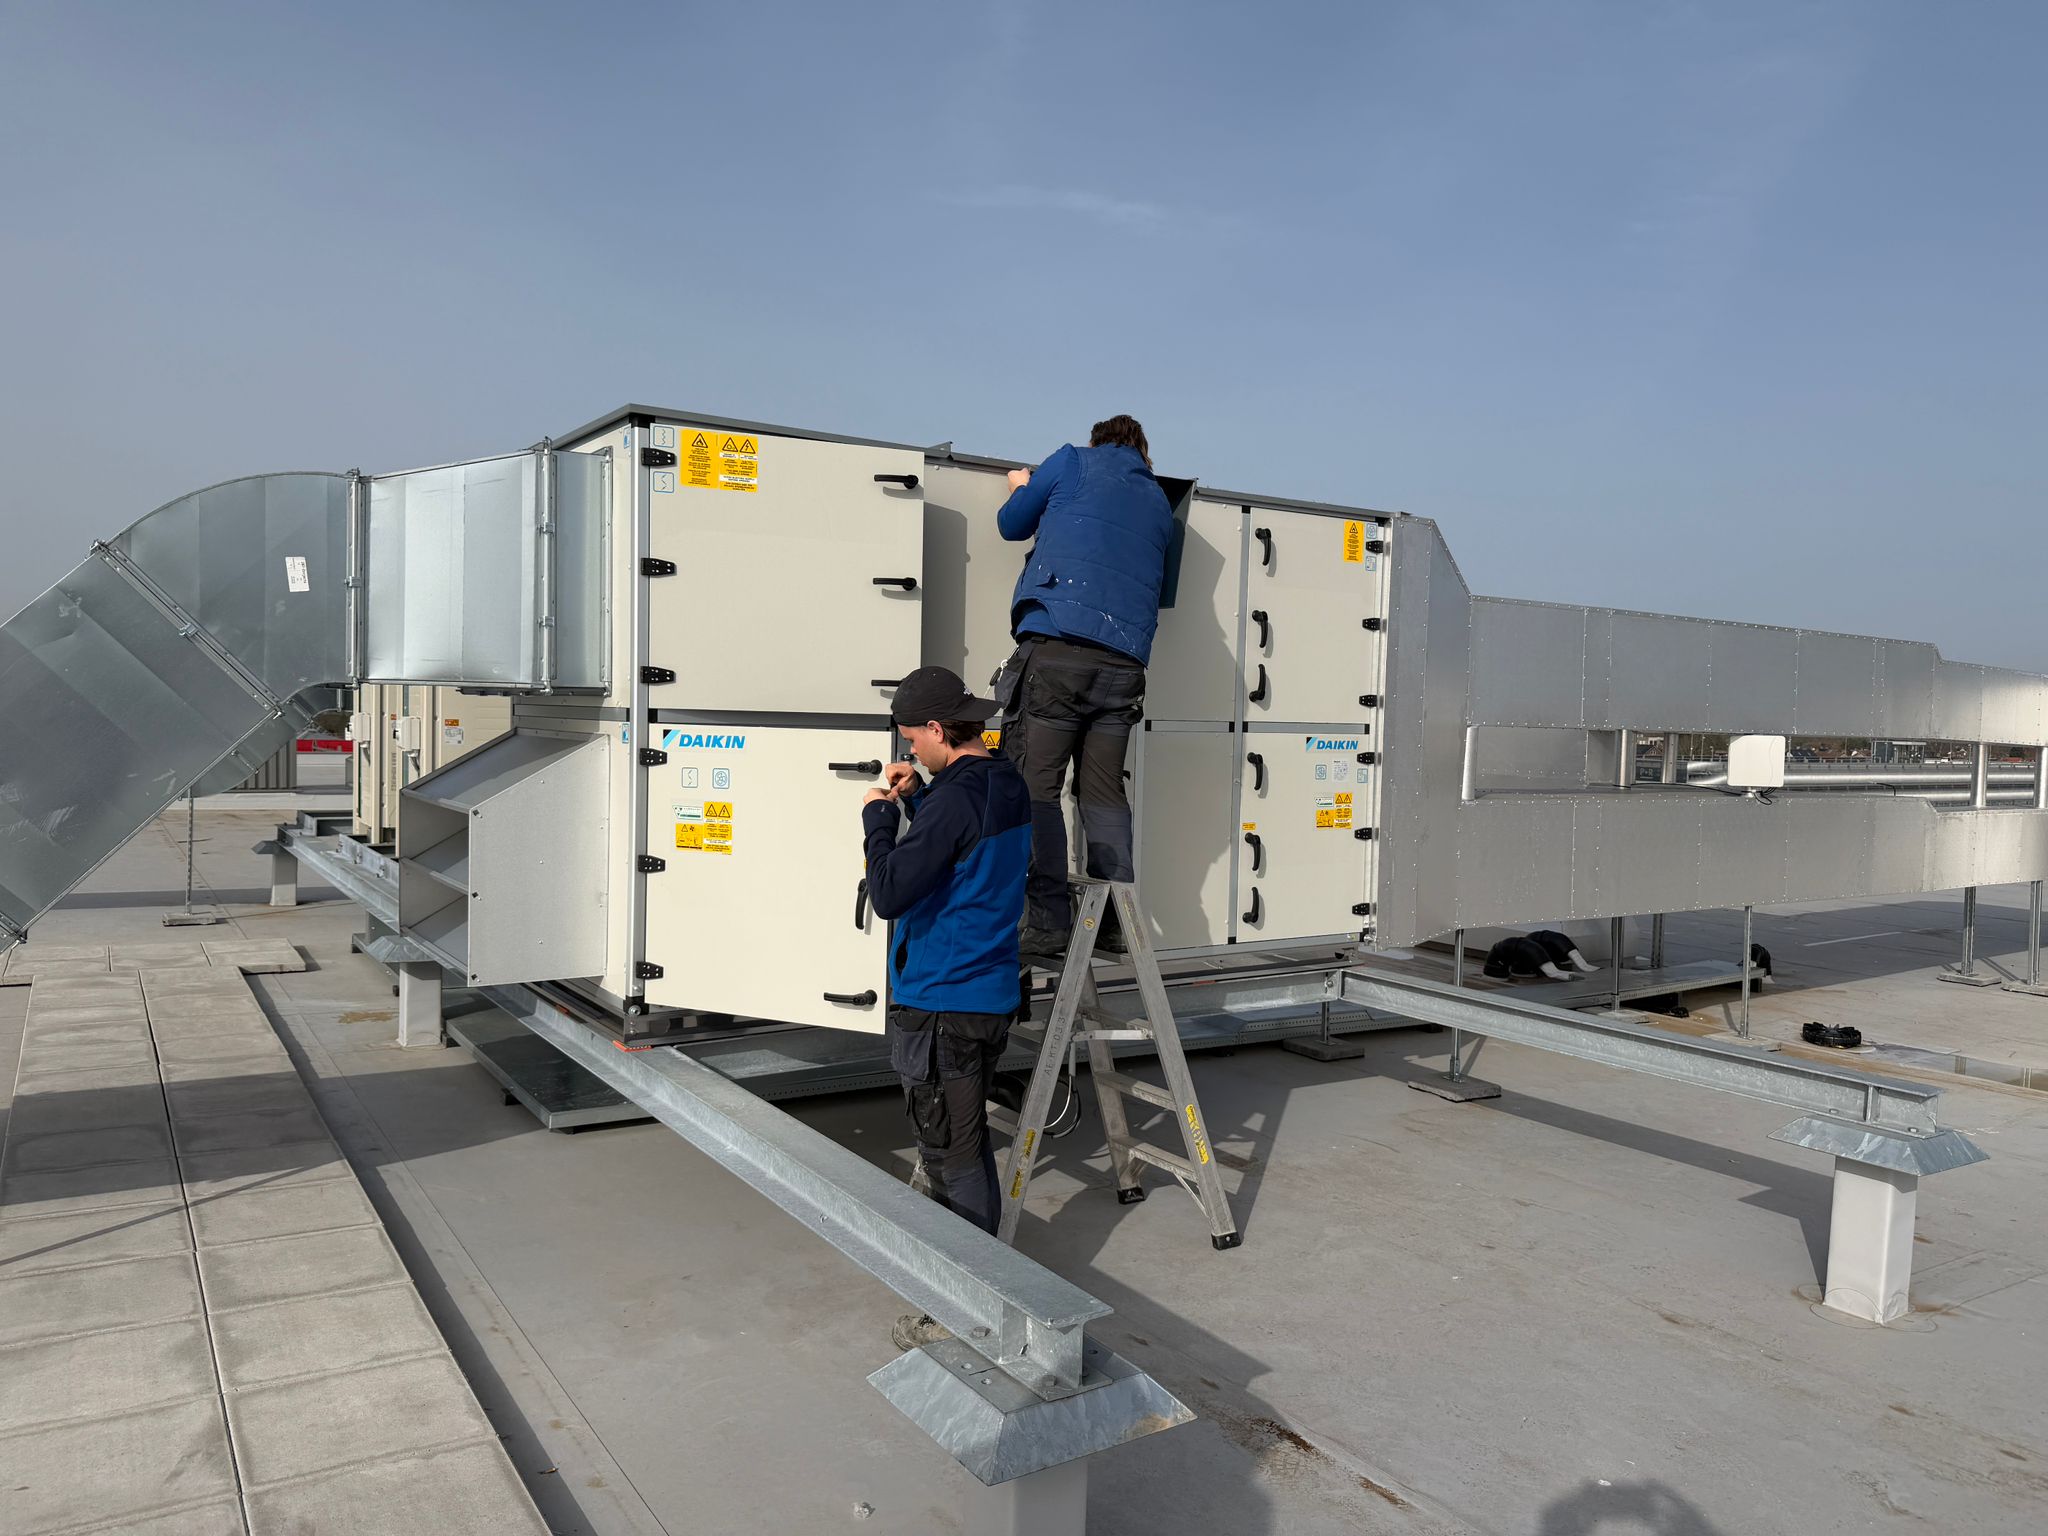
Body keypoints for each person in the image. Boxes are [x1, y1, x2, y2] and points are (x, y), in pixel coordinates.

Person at [992, 414, 1175, 954]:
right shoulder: (1159, 501)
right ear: (1142, 452)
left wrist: (1021, 487)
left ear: (1099, 441)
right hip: (1125, 666)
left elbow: (1011, 524)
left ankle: (1048, 921)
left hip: (1058, 650)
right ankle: (1115, 922)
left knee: (1035, 787)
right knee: (1103, 791)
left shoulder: (1073, 460)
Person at [860, 665, 1031, 1241]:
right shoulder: (1004, 780)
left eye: (913, 739)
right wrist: (923, 795)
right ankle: (975, 1267)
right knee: (966, 1140)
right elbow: (965, 840)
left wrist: (879, 818)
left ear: (937, 728)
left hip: (943, 1003)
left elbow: (888, 893)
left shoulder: (953, 802)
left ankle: (974, 1284)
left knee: (951, 1155)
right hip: (987, 994)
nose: (911, 750)